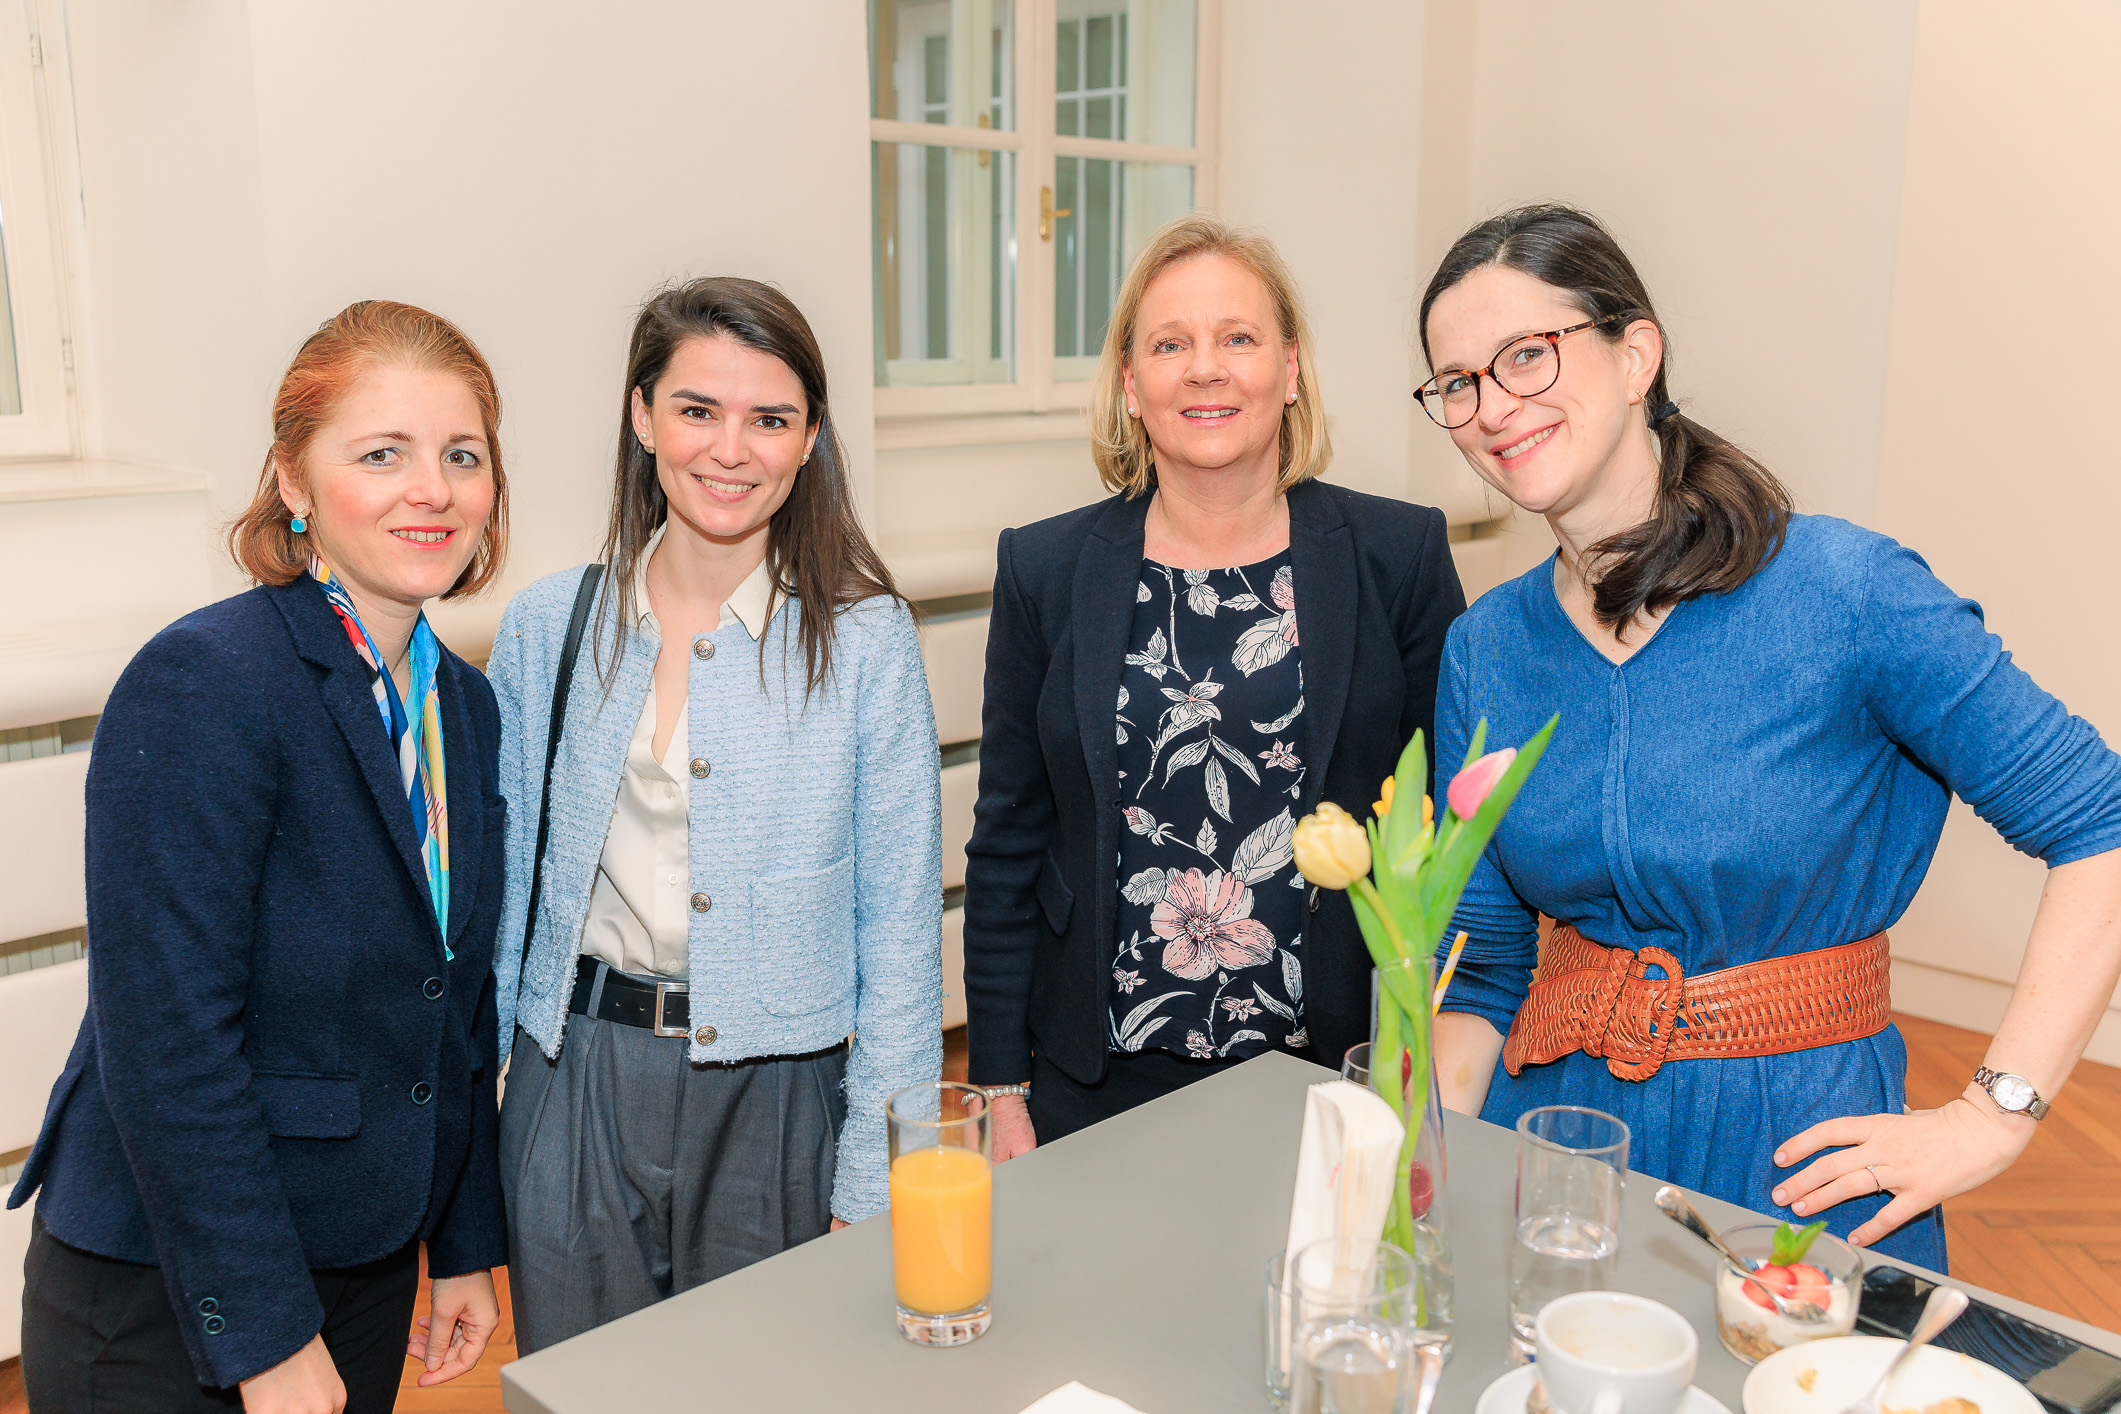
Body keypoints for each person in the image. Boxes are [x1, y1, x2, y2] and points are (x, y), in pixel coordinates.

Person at [1420, 204, 2121, 1267]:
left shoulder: (1846, 591)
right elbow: (1480, 972)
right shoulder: (1486, 648)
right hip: (1556, 1152)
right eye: (1458, 382)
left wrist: (1993, 1113)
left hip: (1796, 1158)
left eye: (1527, 354)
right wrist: (1419, 1175)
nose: (1493, 407)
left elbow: (2098, 820)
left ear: (1636, 355)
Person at [9, 301, 512, 1412]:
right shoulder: (208, 681)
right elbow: (167, 1040)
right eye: (381, 454)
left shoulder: (465, 708)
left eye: (461, 455)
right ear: (294, 480)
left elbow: (456, 1006)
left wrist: (465, 1240)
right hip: (175, 1286)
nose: (431, 489)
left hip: (364, 1257)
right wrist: (266, 1332)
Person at [488, 276, 941, 1353]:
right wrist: (485, 1123)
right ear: (643, 417)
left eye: (770, 419)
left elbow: (900, 929)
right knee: (583, 1386)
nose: (730, 450)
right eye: (697, 409)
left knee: (766, 1378)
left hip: (779, 1091)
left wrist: (880, 1173)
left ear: (810, 439)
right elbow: (501, 902)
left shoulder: (866, 641)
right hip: (576, 1076)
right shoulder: (550, 625)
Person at [963, 215, 1467, 1160]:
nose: (1205, 369)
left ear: (1290, 369)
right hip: (1095, 1083)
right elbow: (1007, 844)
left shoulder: (1398, 556)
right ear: (1130, 383)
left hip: (1333, 1074)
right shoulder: (1044, 568)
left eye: (1237, 338)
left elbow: (1447, 840)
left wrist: (1427, 1067)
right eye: (1169, 344)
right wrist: (999, 1083)